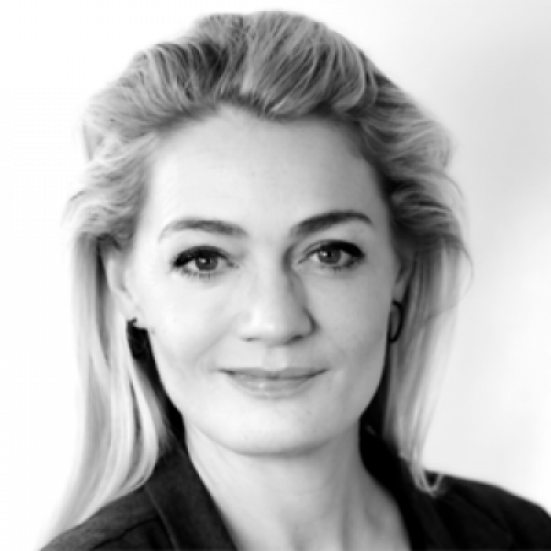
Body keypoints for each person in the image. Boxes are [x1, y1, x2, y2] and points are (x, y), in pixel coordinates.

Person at [41, 10, 551, 551]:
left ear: (400, 268)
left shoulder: (525, 537)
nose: (275, 321)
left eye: (329, 253)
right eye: (205, 260)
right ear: (124, 284)